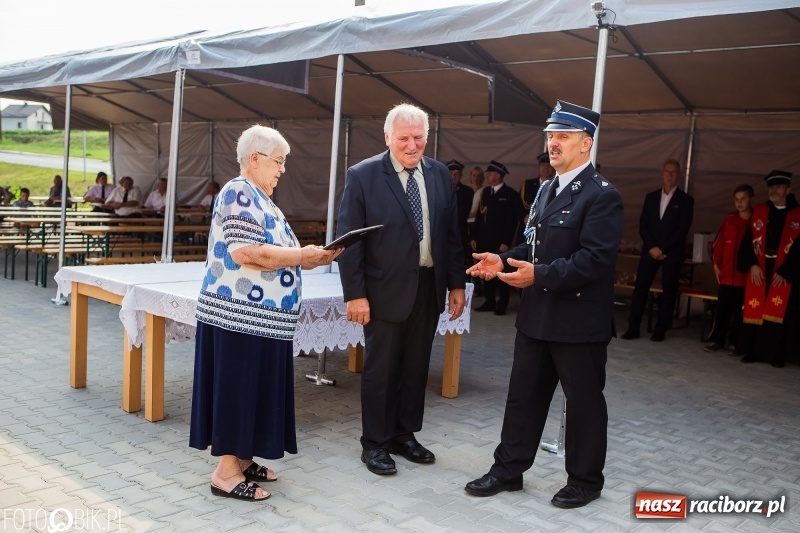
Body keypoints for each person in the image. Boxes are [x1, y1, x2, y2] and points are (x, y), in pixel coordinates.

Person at [464, 100, 623, 509]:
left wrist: (540, 276)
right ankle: (508, 469)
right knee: (523, 396)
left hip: (578, 319)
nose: (553, 143)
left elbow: (595, 259)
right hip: (538, 316)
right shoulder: (546, 188)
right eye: (551, 136)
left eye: (563, 137)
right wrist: (502, 259)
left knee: (584, 402)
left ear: (586, 144)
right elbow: (534, 245)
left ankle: (585, 481)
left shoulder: (602, 196)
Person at [190, 124, 339, 502]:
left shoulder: (260, 197)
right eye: (278, 161)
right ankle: (225, 473)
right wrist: (303, 256)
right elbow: (247, 252)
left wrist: (309, 259)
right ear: (254, 158)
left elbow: (273, 253)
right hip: (240, 316)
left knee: (253, 390)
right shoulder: (238, 191)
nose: (282, 169)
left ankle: (241, 458)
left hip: (262, 319)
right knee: (239, 390)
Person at [335, 103, 466, 476]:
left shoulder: (440, 175)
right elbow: (350, 242)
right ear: (388, 137)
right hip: (382, 290)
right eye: (404, 138)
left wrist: (457, 284)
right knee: (382, 370)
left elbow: (451, 235)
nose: (412, 145)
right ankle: (374, 443)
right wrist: (355, 294)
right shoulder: (363, 176)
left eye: (419, 137)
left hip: (428, 286)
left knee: (415, 366)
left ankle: (403, 435)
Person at [620, 159, 694, 342]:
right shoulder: (651, 197)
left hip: (671, 252)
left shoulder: (686, 200)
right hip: (650, 250)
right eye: (667, 172)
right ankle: (633, 327)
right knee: (640, 289)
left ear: (679, 175)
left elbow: (682, 229)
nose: (669, 175)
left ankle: (661, 328)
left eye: (673, 172)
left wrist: (663, 248)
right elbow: (643, 225)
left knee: (668, 290)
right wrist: (652, 247)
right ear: (661, 174)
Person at [737, 170, 800, 367]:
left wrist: (786, 271)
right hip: (761, 266)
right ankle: (753, 351)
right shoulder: (761, 211)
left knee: (781, 311)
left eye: (779, 187)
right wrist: (752, 264)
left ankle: (776, 354)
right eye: (771, 187)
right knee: (756, 306)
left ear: (787, 189)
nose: (774, 190)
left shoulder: (797, 214)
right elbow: (748, 241)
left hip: (784, 268)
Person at [704, 184, 754, 353]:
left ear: (751, 199)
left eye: (743, 199)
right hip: (726, 276)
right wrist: (716, 265)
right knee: (722, 310)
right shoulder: (729, 220)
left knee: (740, 313)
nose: (739, 203)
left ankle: (736, 342)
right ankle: (716, 339)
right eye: (737, 200)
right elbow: (718, 245)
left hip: (744, 278)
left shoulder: (756, 222)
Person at [471, 160, 523, 315]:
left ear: (499, 176)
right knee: (486, 273)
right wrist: (474, 236)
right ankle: (490, 300)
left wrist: (506, 241)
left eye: (491, 173)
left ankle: (502, 304)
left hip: (500, 242)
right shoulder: (486, 192)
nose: (487, 175)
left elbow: (512, 221)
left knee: (501, 274)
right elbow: (480, 216)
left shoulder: (510, 194)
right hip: (485, 240)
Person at [517, 152, 555, 244]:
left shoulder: (557, 185)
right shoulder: (528, 185)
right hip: (527, 228)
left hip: (547, 230)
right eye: (543, 165)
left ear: (553, 168)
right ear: (539, 167)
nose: (545, 168)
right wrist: (523, 217)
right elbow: (517, 205)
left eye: (548, 165)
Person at [446, 159, 475, 273]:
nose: (454, 176)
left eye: (457, 173)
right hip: (441, 233)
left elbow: (462, 214)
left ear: (461, 175)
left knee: (458, 265)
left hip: (459, 233)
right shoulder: (439, 189)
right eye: (451, 173)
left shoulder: (467, 191)